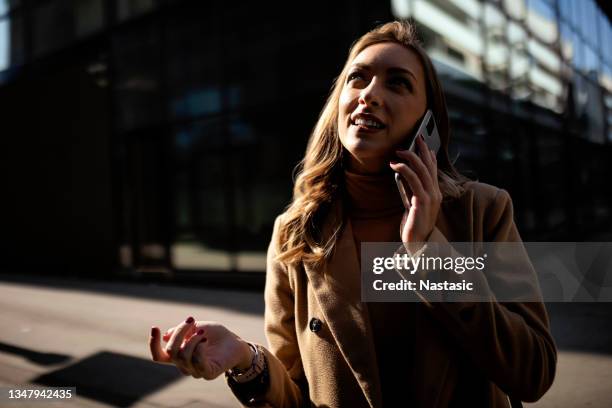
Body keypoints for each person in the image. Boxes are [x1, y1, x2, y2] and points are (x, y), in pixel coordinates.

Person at [149, 20, 557, 407]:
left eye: (397, 83)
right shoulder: (295, 232)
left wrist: (427, 251)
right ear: (339, 103)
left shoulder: (480, 210)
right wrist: (244, 359)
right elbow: (295, 394)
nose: (369, 94)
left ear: (427, 121)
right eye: (357, 78)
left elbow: (534, 371)